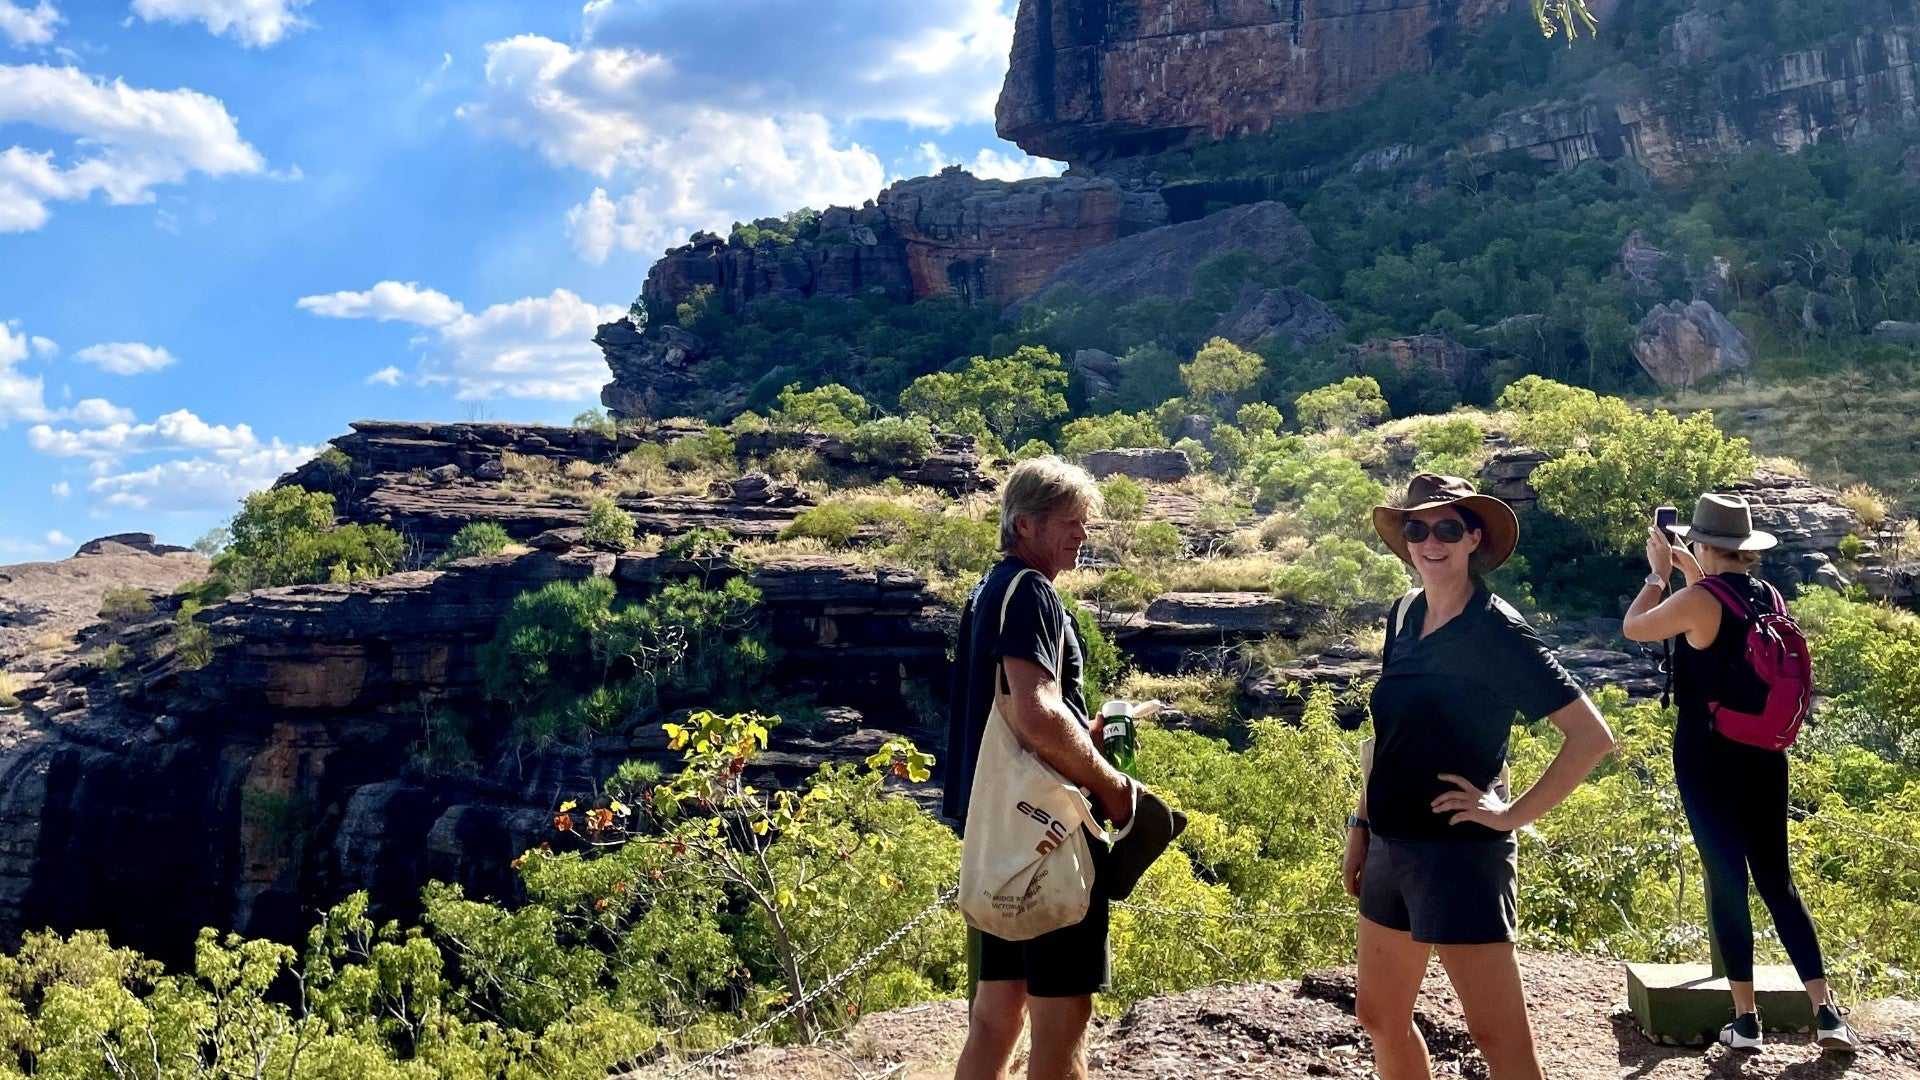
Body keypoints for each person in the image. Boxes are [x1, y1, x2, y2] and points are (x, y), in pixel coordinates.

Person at [1346, 474, 1615, 1080]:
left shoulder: (1497, 632)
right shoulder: (1404, 614)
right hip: (1391, 842)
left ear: (1473, 539)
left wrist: (1508, 815)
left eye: (1446, 528)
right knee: (1379, 1014)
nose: (1429, 542)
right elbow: (1387, 736)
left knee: (1498, 1039)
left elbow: (1592, 737)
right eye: (1417, 528)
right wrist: (1359, 826)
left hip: (1460, 854)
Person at [1621, 493, 1857, 1053]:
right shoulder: (1767, 597)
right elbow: (1721, 615)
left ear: (1703, 543)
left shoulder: (1696, 600)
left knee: (1728, 880)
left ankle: (1745, 1019)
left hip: (1707, 757)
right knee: (1778, 880)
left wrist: (1658, 576)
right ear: (1745, 550)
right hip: (1765, 756)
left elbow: (1636, 628)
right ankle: (1825, 1012)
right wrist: (1691, 569)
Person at [943, 456, 1134, 1080]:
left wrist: (1083, 733)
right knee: (1062, 1018)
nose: (1081, 534)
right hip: (1047, 832)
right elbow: (1030, 709)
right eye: (1070, 522)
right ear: (1026, 525)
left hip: (998, 832)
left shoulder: (990, 589)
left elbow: (1017, 711)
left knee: (996, 1013)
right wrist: (1112, 787)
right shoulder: (1032, 593)